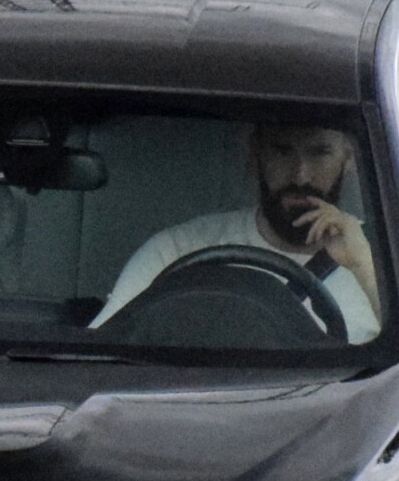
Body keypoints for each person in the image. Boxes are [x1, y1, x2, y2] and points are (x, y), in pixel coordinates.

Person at [91, 122, 380, 342]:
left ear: (348, 157)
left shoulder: (385, 262)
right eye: (282, 151)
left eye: (320, 153)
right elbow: (104, 351)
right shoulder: (180, 249)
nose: (301, 175)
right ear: (256, 153)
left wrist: (362, 264)